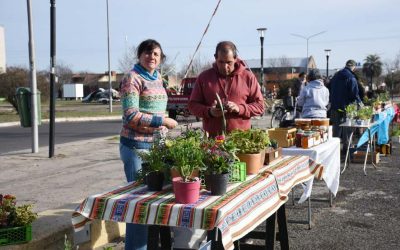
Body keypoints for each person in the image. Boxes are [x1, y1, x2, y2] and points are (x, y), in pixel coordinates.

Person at [119, 39, 178, 250]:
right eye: (147, 52)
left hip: (157, 147)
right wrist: (161, 121)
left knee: (156, 200)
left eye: (156, 54)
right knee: (138, 204)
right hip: (136, 148)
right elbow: (131, 115)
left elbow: (156, 109)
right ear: (139, 55)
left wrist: (163, 121)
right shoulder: (132, 78)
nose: (151, 57)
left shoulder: (158, 78)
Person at [188, 41, 265, 137]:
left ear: (235, 58)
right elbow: (192, 105)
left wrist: (239, 108)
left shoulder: (248, 77)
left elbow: (260, 106)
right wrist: (209, 111)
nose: (225, 67)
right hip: (213, 141)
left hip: (241, 140)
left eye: (229, 62)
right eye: (221, 62)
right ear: (215, 58)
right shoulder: (204, 78)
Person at [329, 59, 363, 154]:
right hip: (347, 107)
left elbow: (329, 87)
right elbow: (354, 94)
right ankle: (346, 149)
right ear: (353, 67)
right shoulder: (351, 77)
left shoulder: (336, 76)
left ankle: (334, 150)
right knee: (347, 129)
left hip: (335, 106)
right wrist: (360, 103)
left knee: (336, 128)